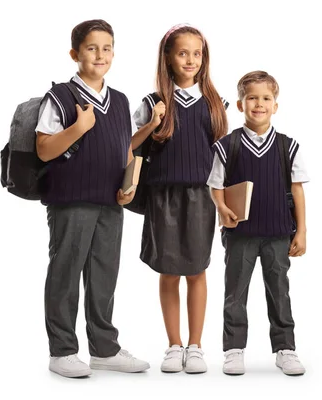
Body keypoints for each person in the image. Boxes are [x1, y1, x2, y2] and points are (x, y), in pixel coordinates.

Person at [35, 19, 149, 378]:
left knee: (104, 275)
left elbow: (124, 149)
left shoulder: (120, 100)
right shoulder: (61, 98)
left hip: (111, 203)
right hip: (72, 201)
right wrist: (79, 127)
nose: (100, 55)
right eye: (91, 48)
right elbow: (43, 149)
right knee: (66, 274)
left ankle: (104, 349)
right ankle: (63, 351)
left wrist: (129, 184)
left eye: (107, 47)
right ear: (75, 54)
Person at [131, 23, 229, 374]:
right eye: (183, 53)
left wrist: (225, 201)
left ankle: (196, 345)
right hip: (163, 196)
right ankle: (174, 344)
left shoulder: (215, 103)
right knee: (169, 271)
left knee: (197, 270)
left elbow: (223, 159)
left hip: (201, 197)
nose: (191, 60)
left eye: (197, 54)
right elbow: (127, 148)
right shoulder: (153, 103)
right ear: (168, 58)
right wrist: (151, 124)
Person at [207, 71, 310, 376]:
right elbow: (216, 185)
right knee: (235, 291)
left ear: (275, 105)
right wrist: (222, 208)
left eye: (266, 98)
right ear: (240, 104)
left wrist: (301, 231)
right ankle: (234, 349)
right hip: (240, 234)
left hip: (278, 233)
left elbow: (297, 189)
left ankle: (285, 349)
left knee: (279, 290)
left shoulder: (286, 146)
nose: (259, 104)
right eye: (252, 97)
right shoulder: (228, 146)